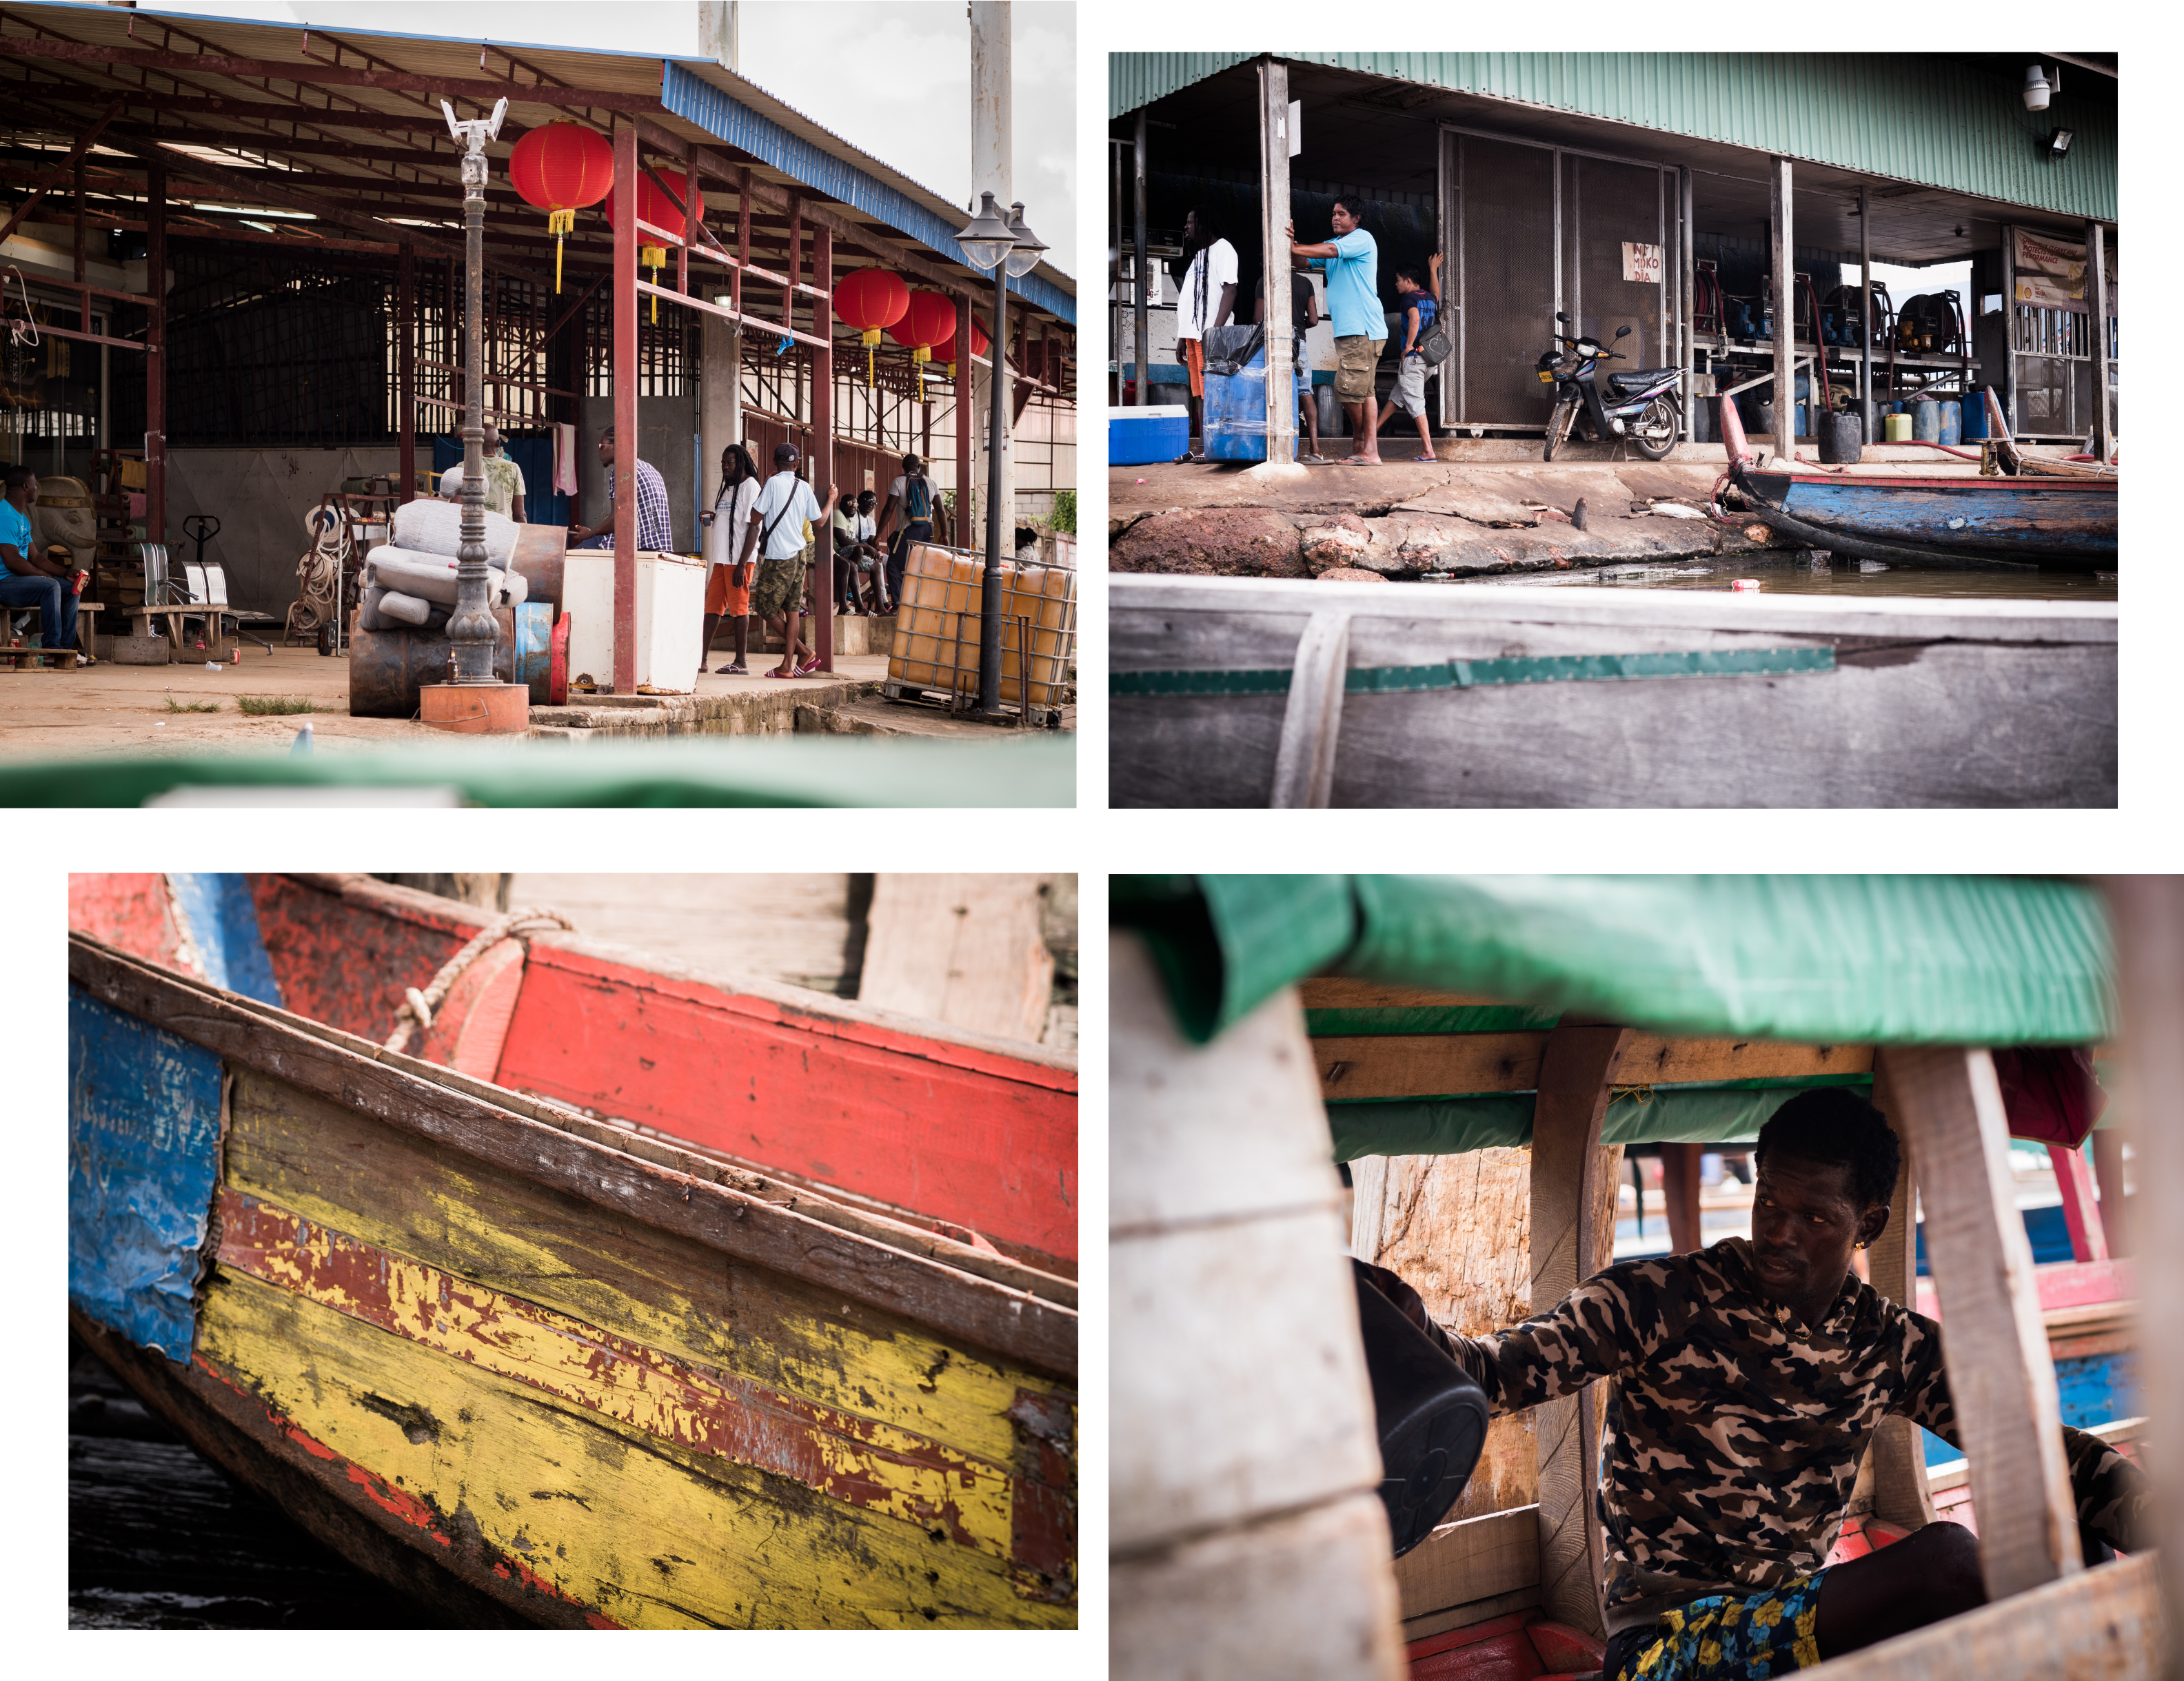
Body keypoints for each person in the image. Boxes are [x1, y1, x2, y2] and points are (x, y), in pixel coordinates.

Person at [1395, 1089, 2150, 1681]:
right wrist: (1398, 1321)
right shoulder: (1659, 1299)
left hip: (1796, 1628)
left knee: (2071, 1539)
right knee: (1949, 1557)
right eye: (1769, 1203)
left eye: (1815, 1217)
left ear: (1870, 1225)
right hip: (1670, 1652)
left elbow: (2048, 1454)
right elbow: (1496, 1371)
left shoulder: (1888, 1344)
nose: (1780, 1233)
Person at [1289, 197, 1386, 463]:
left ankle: (1361, 441)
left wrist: (1296, 246)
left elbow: (1329, 251)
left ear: (1356, 218)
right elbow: (1303, 264)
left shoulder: (1360, 239)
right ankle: (1370, 451)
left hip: (1361, 328)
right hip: (1353, 330)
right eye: (1333, 214)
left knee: (1345, 390)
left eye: (1341, 214)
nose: (1335, 218)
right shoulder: (1340, 246)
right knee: (1365, 392)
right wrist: (1292, 247)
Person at [741, 442, 838, 680]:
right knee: (792, 609)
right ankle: (788, 665)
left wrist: (766, 487)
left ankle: (803, 654)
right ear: (797, 464)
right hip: (800, 555)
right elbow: (819, 522)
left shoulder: (772, 483)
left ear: (775, 463)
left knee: (765, 608)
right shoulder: (803, 487)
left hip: (778, 557)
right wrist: (831, 499)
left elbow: (754, 518)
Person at [1173, 207, 1238, 462]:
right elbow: (1189, 299)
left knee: (1214, 390)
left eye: (1190, 222)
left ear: (1205, 225)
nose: (1186, 227)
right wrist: (1181, 336)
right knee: (1200, 393)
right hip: (1194, 335)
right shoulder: (1200, 256)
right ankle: (1202, 447)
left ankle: (1214, 446)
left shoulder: (1224, 249)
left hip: (1210, 336)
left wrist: (1215, 332)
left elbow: (1230, 290)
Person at [0, 464, 84, 661]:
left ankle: (65, 649)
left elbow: (36, 557)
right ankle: (52, 650)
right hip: (4, 584)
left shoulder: (22, 519)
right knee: (50, 586)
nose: (37, 488)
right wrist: (46, 577)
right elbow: (13, 562)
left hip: (20, 582)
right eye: (34, 483)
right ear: (25, 486)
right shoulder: (4, 516)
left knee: (73, 586)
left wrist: (65, 573)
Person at [696, 440, 761, 675]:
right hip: (722, 559)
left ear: (741, 463)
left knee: (739, 609)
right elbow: (731, 518)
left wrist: (742, 565)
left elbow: (754, 527)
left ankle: (741, 662)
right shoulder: (728, 487)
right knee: (712, 608)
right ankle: (701, 659)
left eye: (730, 463)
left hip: (738, 562)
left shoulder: (750, 486)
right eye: (723, 463)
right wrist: (713, 517)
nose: (725, 467)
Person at [1253, 269, 1325, 463]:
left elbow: (1258, 319)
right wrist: (1297, 326)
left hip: (1274, 345)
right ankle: (1315, 450)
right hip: (1299, 343)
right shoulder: (1306, 283)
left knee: (1271, 392)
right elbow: (1313, 319)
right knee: (1305, 392)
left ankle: (1273, 449)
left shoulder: (1265, 280)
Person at [1377, 254, 1442, 462]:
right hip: (1429, 360)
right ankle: (1372, 433)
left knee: (1415, 401)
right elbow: (1437, 294)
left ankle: (1428, 451)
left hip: (1414, 358)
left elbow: (1414, 318)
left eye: (1397, 279)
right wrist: (1433, 269)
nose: (1395, 284)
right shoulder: (1427, 297)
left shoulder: (1409, 299)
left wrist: (1407, 347)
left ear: (1408, 281)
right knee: (1400, 395)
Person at [568, 425, 671, 551]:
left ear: (615, 447)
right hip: (659, 544)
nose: (599, 450)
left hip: (638, 544)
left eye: (602, 445)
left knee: (578, 554)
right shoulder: (650, 469)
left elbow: (617, 519)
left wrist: (591, 533)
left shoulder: (623, 471)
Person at [874, 452, 935, 609]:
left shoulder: (899, 481)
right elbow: (940, 510)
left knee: (894, 566)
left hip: (909, 531)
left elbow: (889, 509)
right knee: (919, 566)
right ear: (919, 467)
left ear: (903, 467)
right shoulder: (930, 482)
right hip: (928, 530)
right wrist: (945, 536)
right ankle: (920, 603)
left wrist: (878, 534)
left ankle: (899, 606)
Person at [438, 424, 527, 521]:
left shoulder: (463, 467)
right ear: (498, 443)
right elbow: (520, 515)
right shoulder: (513, 468)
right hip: (503, 533)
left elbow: (456, 507)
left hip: (472, 532)